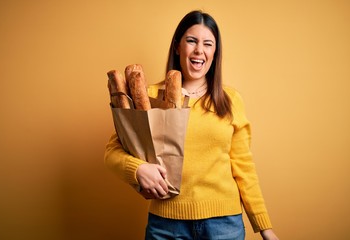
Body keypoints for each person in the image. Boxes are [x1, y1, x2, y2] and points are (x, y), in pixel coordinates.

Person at [105, 10, 279, 240]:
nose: (199, 50)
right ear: (178, 46)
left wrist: (265, 228)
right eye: (191, 41)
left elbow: (244, 167)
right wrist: (137, 170)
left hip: (224, 225)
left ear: (215, 52)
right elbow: (112, 152)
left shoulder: (230, 100)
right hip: (166, 226)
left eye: (208, 44)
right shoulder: (148, 97)